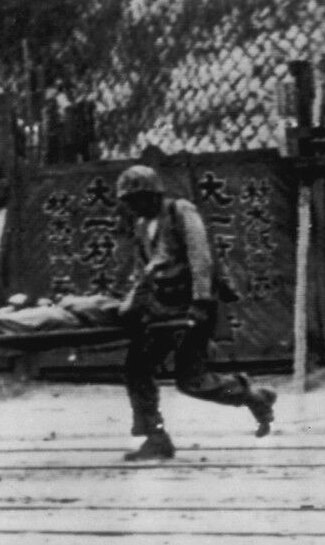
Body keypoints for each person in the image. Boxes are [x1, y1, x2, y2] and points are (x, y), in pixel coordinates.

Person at [115, 164, 276, 460]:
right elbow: (143, 272)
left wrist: (201, 302)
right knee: (136, 369)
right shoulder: (141, 226)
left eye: (137, 199)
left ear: (152, 195)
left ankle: (252, 396)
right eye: (128, 201)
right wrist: (132, 304)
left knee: (192, 381)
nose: (133, 206)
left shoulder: (180, 212)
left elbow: (200, 258)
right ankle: (155, 436)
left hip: (191, 305)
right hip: (160, 308)